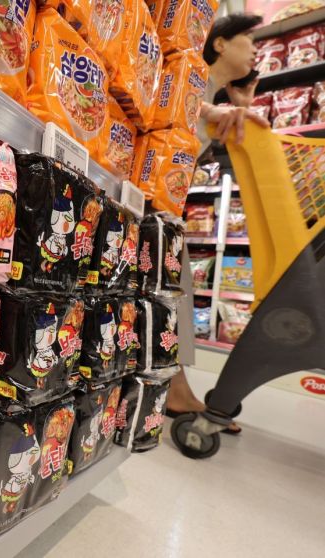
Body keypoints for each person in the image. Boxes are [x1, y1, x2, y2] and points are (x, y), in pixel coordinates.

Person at [167, 13, 270, 432]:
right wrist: (219, 108)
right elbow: (182, 104)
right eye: (250, 39)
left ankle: (175, 387)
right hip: (145, 196)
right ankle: (174, 390)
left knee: (177, 290)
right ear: (221, 42)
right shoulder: (191, 75)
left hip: (166, 202)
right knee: (175, 290)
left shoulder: (216, 94)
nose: (256, 49)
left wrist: (239, 106)